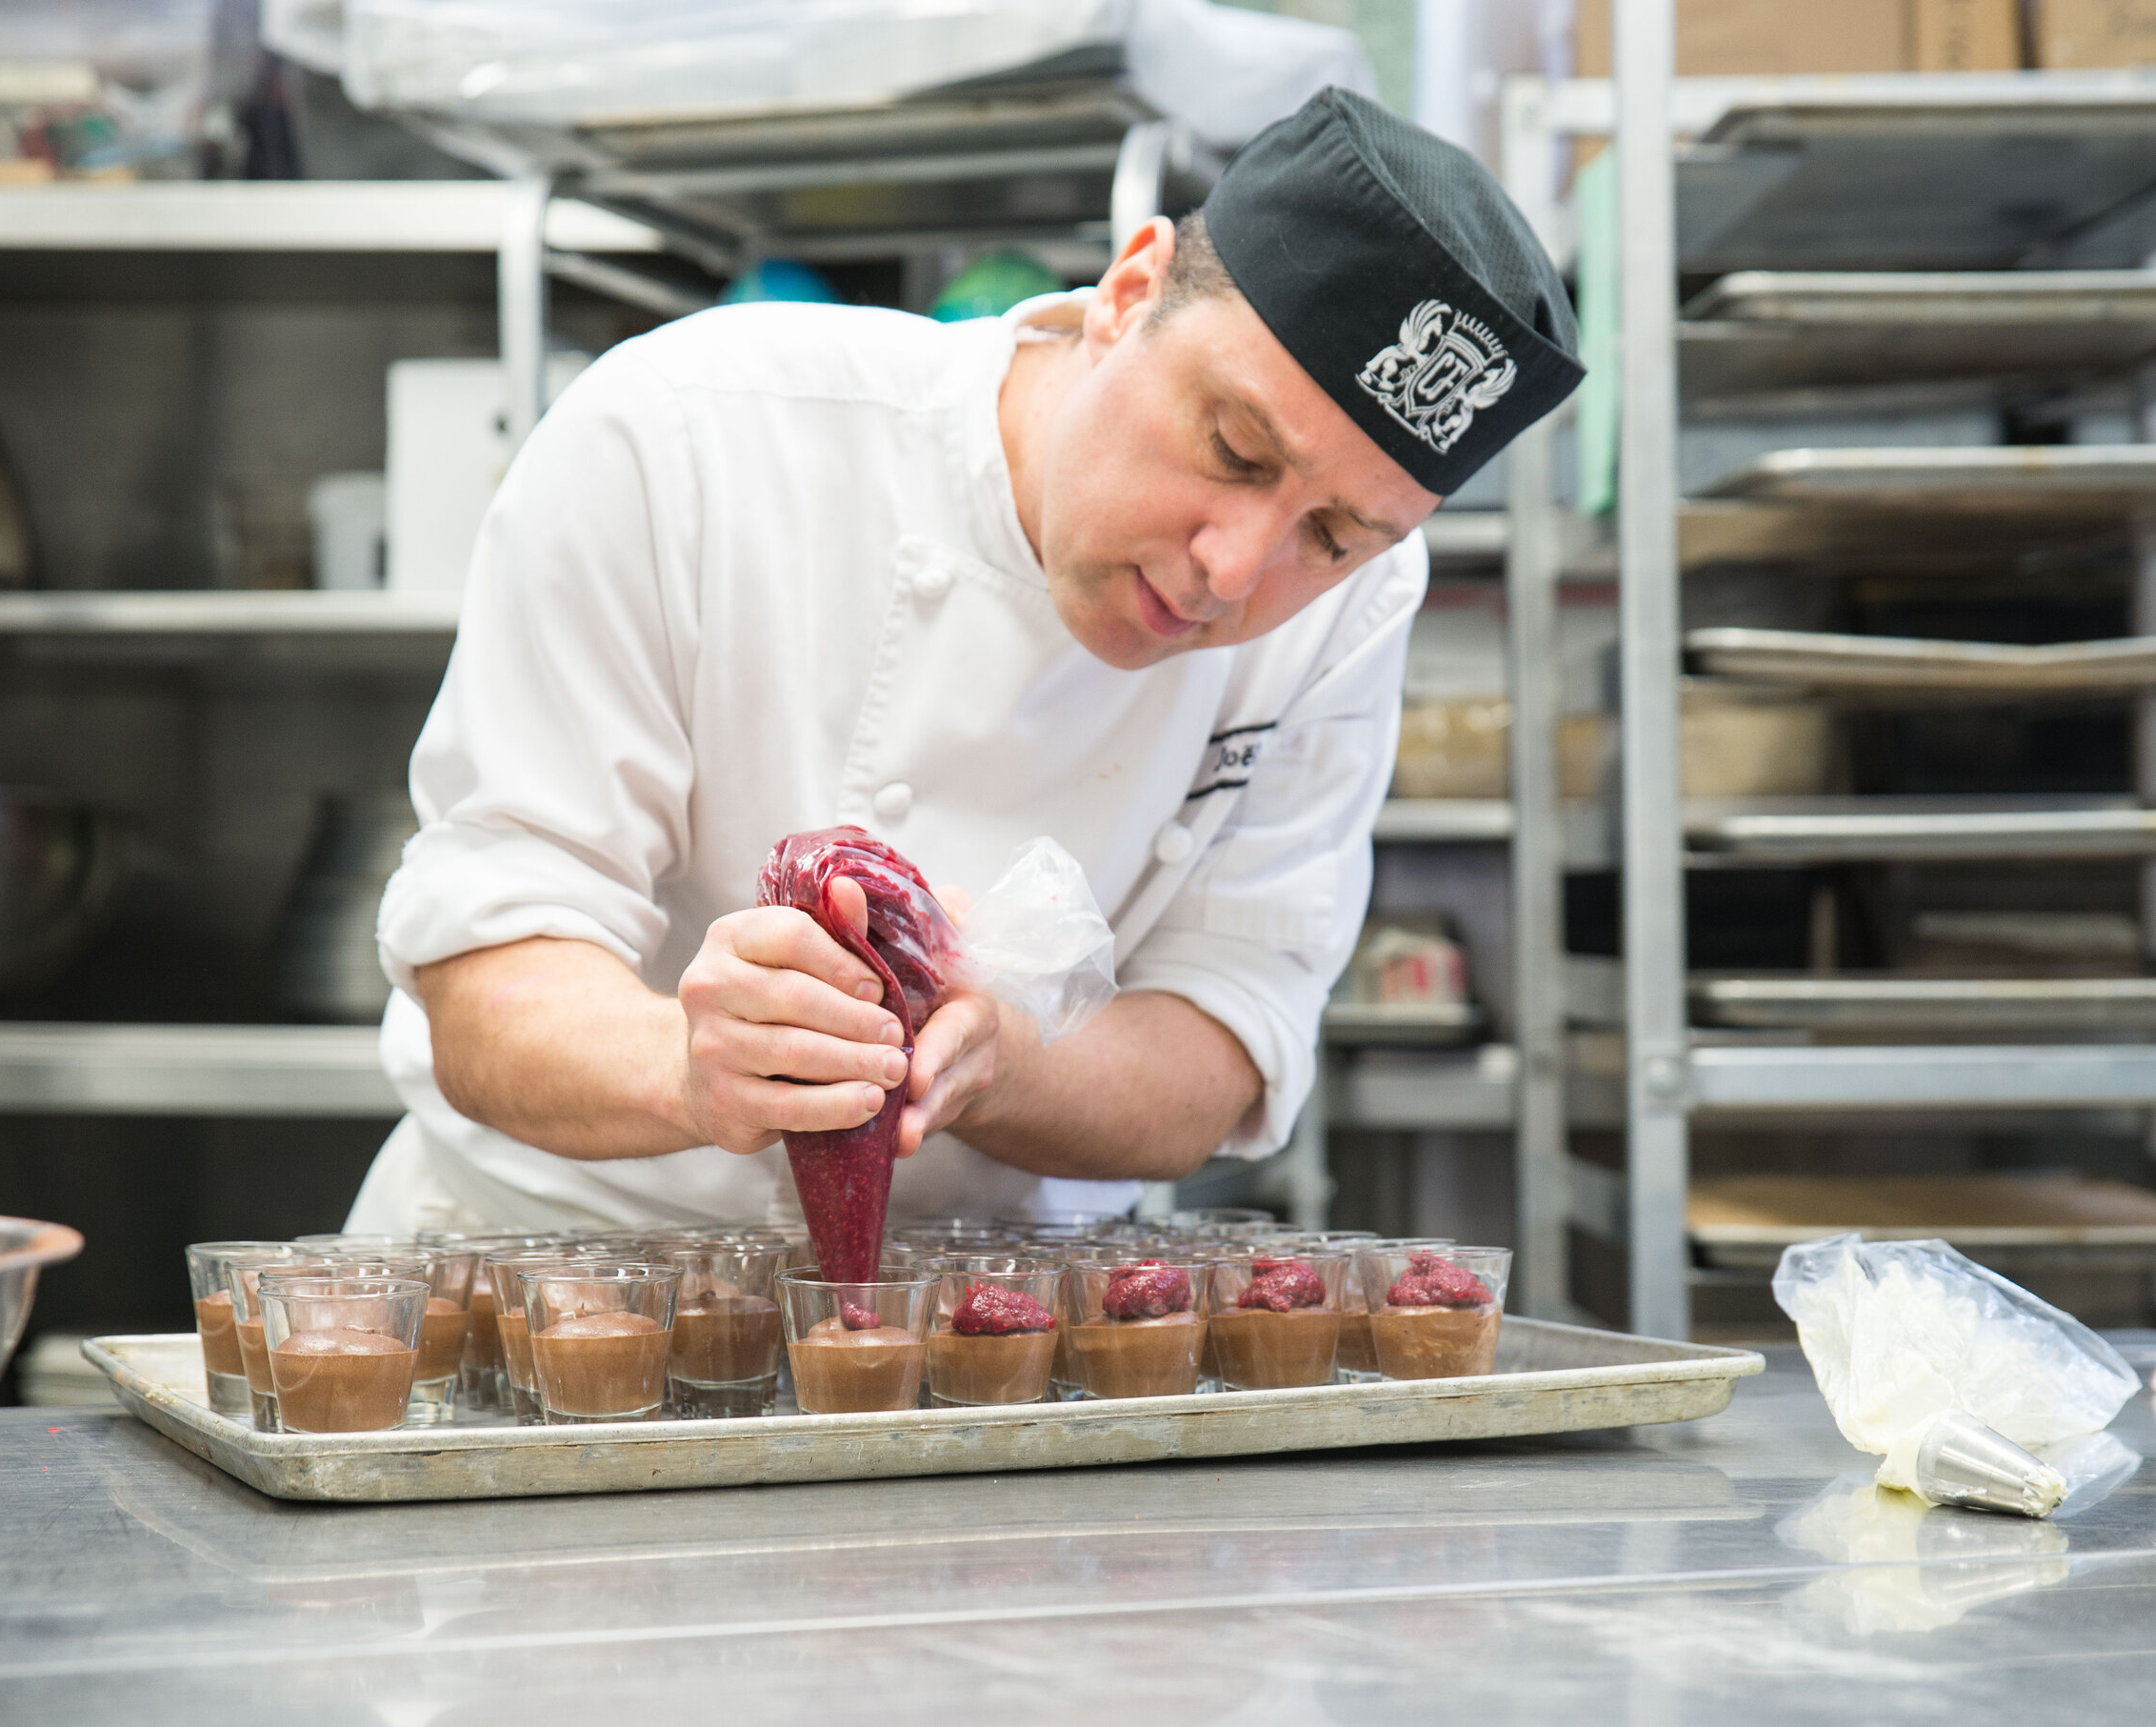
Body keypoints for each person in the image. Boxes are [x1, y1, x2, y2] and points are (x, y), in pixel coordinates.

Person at [346, 90, 1581, 1235]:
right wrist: (683, 1061)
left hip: (990, 1327)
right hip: (548, 1269)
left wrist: (1010, 1061)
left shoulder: (1355, 608)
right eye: (1235, 448)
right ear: (1129, 290)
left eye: (1333, 533)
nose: (1234, 569)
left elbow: (1227, 1036)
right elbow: (486, 978)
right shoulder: (683, 435)